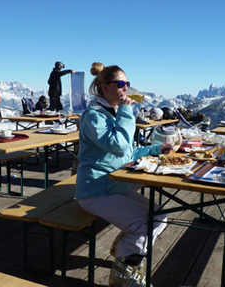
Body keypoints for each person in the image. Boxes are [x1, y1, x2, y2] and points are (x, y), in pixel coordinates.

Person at [75, 62, 175, 287]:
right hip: (94, 191)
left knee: (159, 215)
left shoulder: (111, 114)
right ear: (104, 87)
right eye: (120, 84)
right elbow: (119, 146)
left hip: (114, 186)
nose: (126, 89)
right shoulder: (94, 117)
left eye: (127, 84)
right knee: (144, 223)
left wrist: (156, 150)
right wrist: (127, 113)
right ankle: (123, 275)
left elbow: (127, 152)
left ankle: (124, 249)